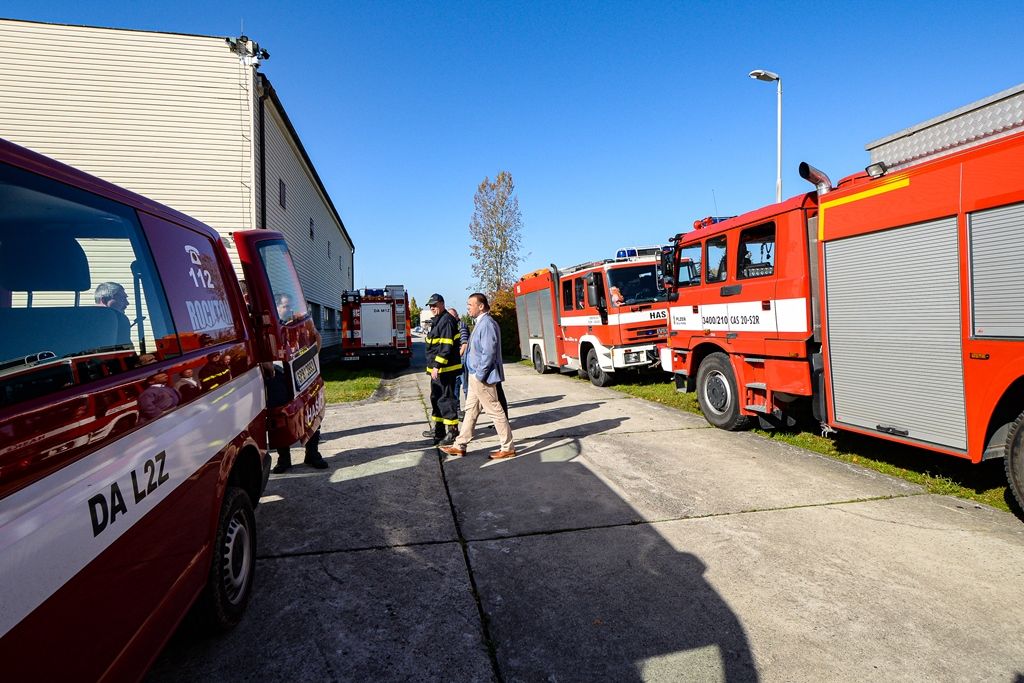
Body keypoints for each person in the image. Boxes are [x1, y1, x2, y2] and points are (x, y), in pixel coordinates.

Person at [440, 293, 515, 460]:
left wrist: (480, 375)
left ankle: (507, 446)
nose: (467, 308)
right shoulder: (480, 323)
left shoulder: (487, 324)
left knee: (495, 411)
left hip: (482, 377)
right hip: (475, 376)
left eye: (470, 305)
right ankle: (460, 445)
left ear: (481, 306)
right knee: (470, 412)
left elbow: (489, 353)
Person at [420, 293, 461, 446]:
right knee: (435, 398)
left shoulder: (447, 321)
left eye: (435, 305)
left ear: (442, 304)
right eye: (430, 306)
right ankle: (439, 431)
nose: (432, 308)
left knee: (446, 400)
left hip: (445, 370)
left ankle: (452, 431)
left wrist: (437, 365)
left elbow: (446, 347)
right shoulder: (437, 321)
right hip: (436, 370)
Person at [94, 281, 132, 346]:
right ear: (104, 300)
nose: (127, 303)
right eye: (122, 298)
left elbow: (128, 352)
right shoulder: (87, 324)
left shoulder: (120, 322)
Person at [449, 306, 470, 411]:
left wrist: (458, 358)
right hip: (455, 362)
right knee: (455, 386)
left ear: (457, 316)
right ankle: (457, 408)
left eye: (452, 316)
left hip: (462, 360)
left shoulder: (461, 325)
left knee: (466, 386)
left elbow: (464, 344)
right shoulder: (451, 326)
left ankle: (469, 408)